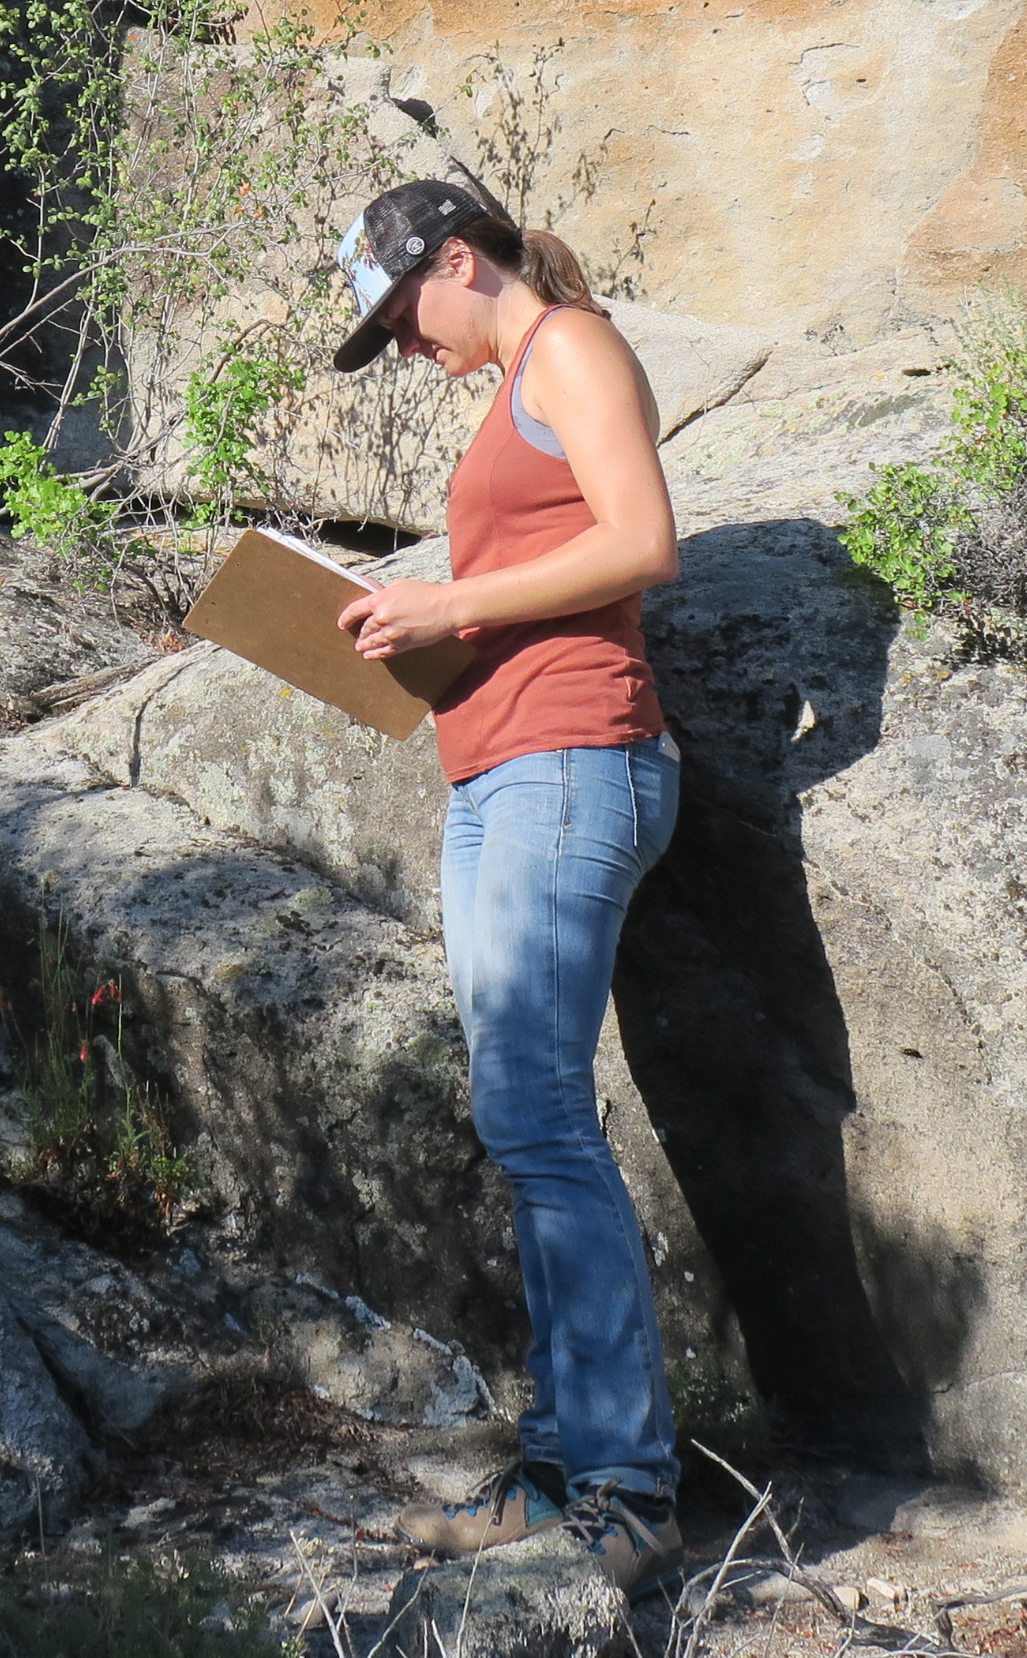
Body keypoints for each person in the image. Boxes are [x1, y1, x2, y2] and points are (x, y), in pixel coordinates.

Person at [330, 177, 685, 1600]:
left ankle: (623, 1486)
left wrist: (448, 603)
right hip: (493, 774)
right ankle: (560, 1471)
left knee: (537, 1113)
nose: (405, 352)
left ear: (457, 260)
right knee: (517, 1114)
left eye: (402, 321)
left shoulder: (573, 349)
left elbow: (643, 540)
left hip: (568, 763)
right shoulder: (513, 379)